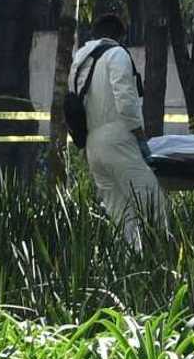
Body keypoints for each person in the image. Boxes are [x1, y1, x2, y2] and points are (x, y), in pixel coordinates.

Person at [70, 13, 166, 249]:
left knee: (122, 217)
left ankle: (129, 264)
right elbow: (125, 100)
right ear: (120, 36)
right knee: (153, 204)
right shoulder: (117, 54)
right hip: (119, 140)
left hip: (93, 147)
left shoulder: (79, 61)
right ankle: (164, 260)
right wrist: (139, 135)